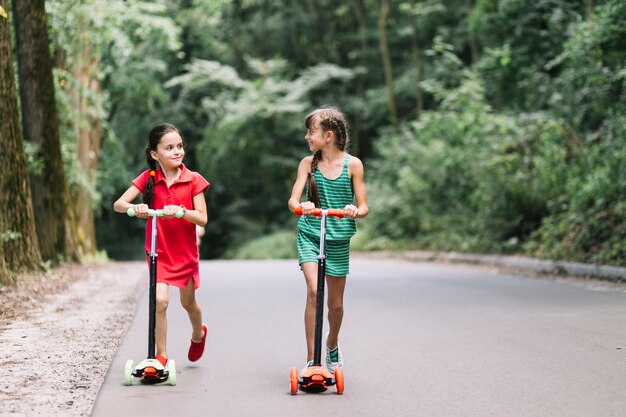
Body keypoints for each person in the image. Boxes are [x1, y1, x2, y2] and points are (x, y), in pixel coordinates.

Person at [113, 123, 209, 367]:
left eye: (179, 146)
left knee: (187, 302)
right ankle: (161, 355)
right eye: (169, 148)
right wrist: (137, 207)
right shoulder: (148, 179)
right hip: (158, 250)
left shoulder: (193, 180)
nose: (177, 152)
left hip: (184, 252)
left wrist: (181, 211)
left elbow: (202, 218)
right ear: (155, 154)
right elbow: (119, 204)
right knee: (161, 301)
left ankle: (199, 333)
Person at [287, 106, 369, 375]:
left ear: (329, 135)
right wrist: (303, 206)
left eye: (312, 132)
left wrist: (353, 210)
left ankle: (331, 343)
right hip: (311, 232)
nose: (307, 137)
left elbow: (364, 205)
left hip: (338, 239)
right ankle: (313, 360)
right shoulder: (307, 164)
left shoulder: (353, 165)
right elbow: (292, 201)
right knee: (313, 291)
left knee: (335, 305)